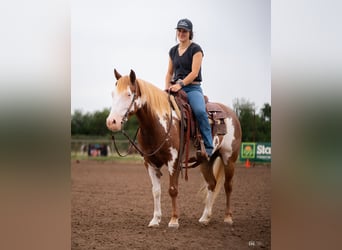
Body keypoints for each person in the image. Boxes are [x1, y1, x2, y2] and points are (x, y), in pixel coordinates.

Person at [165, 18, 214, 159]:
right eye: (179, 30)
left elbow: (194, 73)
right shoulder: (172, 51)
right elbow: (169, 72)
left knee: (199, 111)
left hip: (192, 88)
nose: (181, 33)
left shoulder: (196, 49)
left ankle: (208, 146)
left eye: (184, 31)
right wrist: (166, 88)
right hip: (174, 88)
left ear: (190, 33)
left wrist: (180, 84)